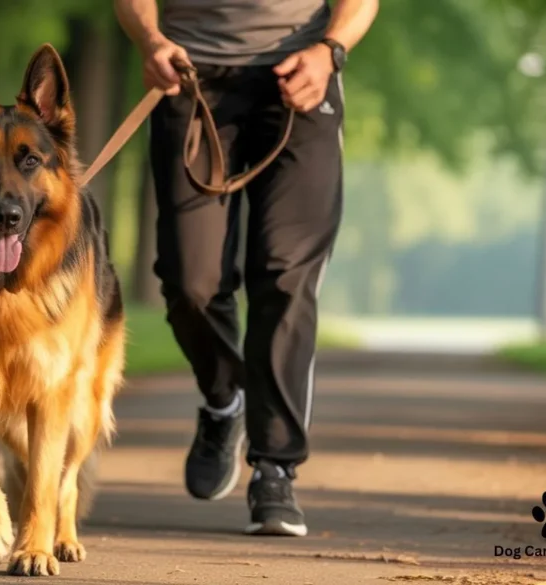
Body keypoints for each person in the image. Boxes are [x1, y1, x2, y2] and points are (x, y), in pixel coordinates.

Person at [113, 0, 379, 536]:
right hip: (190, 77)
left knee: (285, 275)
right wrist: (150, 39)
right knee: (190, 282)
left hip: (299, 77)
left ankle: (275, 468)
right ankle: (223, 397)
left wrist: (330, 51)